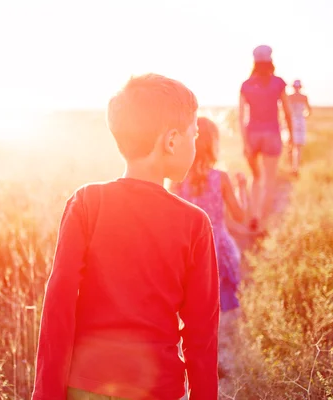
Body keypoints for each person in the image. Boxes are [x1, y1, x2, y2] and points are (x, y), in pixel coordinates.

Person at [32, 74, 220, 400]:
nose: (195, 142)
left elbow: (58, 307)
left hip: (85, 386)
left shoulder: (86, 203)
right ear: (171, 141)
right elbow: (201, 334)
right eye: (194, 133)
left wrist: (47, 395)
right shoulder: (194, 224)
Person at [172, 117, 248, 314]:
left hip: (189, 254)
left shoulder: (177, 180)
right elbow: (240, 216)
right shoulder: (220, 178)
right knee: (222, 313)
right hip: (221, 254)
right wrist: (243, 187)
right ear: (212, 145)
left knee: (195, 311)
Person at [239, 45, 293, 231]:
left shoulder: (246, 85)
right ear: (270, 61)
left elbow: (241, 117)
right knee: (269, 180)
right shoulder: (278, 83)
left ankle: (254, 214)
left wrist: (245, 142)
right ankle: (262, 222)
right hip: (272, 134)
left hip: (252, 135)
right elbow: (287, 112)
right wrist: (292, 137)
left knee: (256, 177)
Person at [288, 79, 312, 176]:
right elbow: (309, 111)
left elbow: (285, 109)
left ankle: (294, 167)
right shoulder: (304, 97)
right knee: (297, 146)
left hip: (292, 120)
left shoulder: (289, 97)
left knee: (293, 145)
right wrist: (303, 116)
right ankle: (295, 167)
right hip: (300, 121)